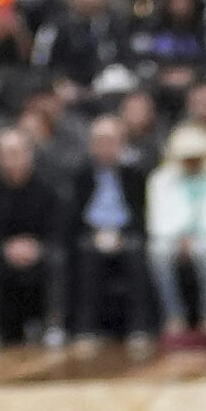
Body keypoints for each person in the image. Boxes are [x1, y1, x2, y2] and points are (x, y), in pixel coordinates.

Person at [0, 129, 66, 353]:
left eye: (15, 153)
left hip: (41, 249)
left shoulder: (49, 187)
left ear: (28, 154)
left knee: (57, 258)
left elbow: (58, 230)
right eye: (5, 154)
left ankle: (54, 324)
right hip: (2, 252)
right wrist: (5, 248)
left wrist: (36, 247)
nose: (11, 160)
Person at [145, 123, 206, 347]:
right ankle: (174, 317)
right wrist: (181, 236)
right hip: (174, 237)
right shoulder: (161, 180)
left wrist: (200, 237)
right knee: (158, 252)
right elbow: (157, 219)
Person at [66, 116, 148, 342]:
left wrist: (120, 236)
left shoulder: (135, 175)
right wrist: (96, 235)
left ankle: (139, 326)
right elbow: (72, 216)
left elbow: (141, 214)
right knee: (85, 252)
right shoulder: (79, 175)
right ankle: (85, 328)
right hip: (90, 233)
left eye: (111, 141)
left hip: (125, 234)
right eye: (100, 141)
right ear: (91, 145)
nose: (106, 147)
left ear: (123, 144)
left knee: (136, 251)